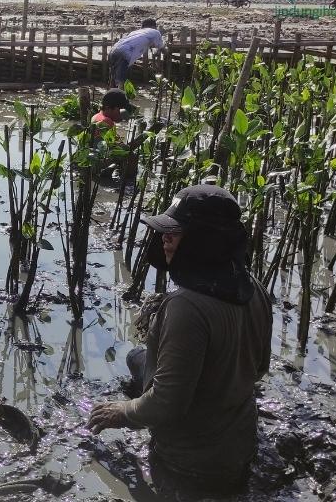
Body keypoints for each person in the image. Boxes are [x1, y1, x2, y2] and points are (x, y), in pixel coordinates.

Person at [87, 184, 273, 496]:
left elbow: (166, 405)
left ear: (204, 241)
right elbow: (260, 369)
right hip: (241, 445)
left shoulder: (186, 308)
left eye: (175, 232)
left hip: (190, 464)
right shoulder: (253, 287)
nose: (165, 239)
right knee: (136, 357)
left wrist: (121, 412)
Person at [108, 19, 165, 89]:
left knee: (113, 78)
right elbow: (161, 48)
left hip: (113, 50)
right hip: (125, 53)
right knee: (121, 81)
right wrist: (166, 52)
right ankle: (119, 96)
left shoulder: (136, 32)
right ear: (153, 26)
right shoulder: (155, 32)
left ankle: (110, 94)